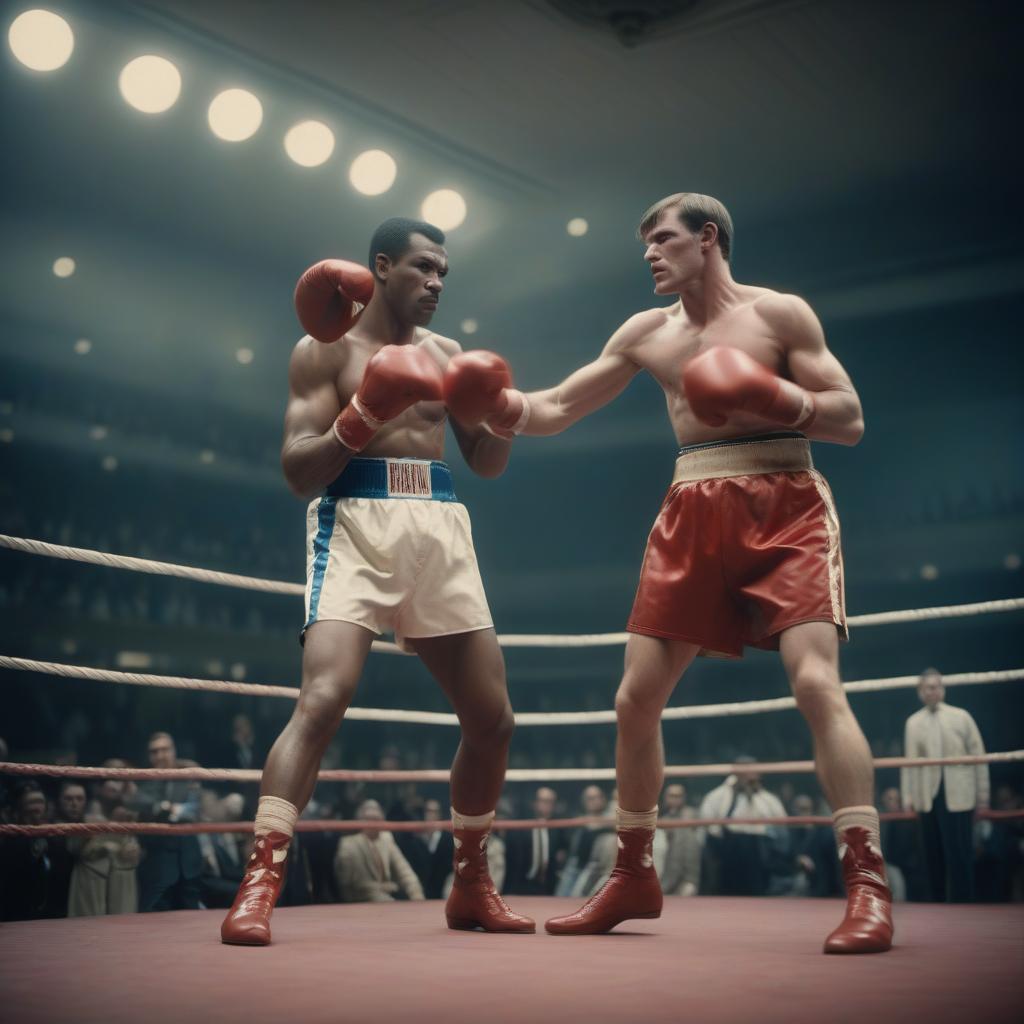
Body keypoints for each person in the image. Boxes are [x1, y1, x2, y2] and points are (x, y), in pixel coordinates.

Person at [469, 193, 892, 951]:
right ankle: (634, 874)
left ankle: (867, 887)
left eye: (662, 241)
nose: (650, 256)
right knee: (634, 699)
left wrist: (774, 396)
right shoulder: (645, 332)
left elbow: (849, 417)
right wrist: (496, 404)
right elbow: (560, 403)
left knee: (815, 683)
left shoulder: (779, 315)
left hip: (786, 502)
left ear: (708, 239)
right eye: (645, 247)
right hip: (691, 504)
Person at [221, 218, 533, 944]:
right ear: (382, 266)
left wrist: (505, 412)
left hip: (439, 524)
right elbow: (299, 472)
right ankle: (258, 884)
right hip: (355, 522)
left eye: (444, 274)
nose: (436, 284)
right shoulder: (323, 349)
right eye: (423, 268)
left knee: (493, 721)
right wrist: (363, 414)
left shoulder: (448, 355)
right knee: (324, 698)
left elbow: (484, 463)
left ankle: (470, 885)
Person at [901, 667, 989, 902]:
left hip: (959, 793)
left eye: (938, 686)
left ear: (943, 688)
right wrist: (907, 797)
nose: (934, 691)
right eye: (929, 687)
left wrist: (983, 795)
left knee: (960, 854)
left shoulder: (961, 717)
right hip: (926, 796)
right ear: (920, 691)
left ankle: (964, 905)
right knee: (931, 855)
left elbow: (979, 756)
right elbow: (908, 763)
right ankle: (936, 905)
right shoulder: (913, 722)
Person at [698, 760, 788, 896]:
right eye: (746, 775)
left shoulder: (768, 799)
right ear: (736, 774)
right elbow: (708, 825)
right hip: (728, 848)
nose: (750, 780)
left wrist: (754, 795)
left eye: (753, 776)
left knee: (758, 892)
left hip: (759, 849)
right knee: (726, 892)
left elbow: (781, 823)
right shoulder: (717, 796)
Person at [334, 799, 425, 903]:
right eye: (369, 819)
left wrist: (417, 895)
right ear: (360, 820)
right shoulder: (349, 844)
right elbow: (352, 884)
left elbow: (405, 871)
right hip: (359, 901)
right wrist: (382, 887)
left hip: (386, 897)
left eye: (376, 819)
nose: (373, 824)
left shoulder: (386, 839)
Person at [659, 783, 701, 897]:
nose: (675, 799)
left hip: (687, 876)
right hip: (664, 874)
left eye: (678, 796)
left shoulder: (692, 815)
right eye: (672, 796)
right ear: (665, 797)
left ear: (684, 798)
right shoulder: (661, 819)